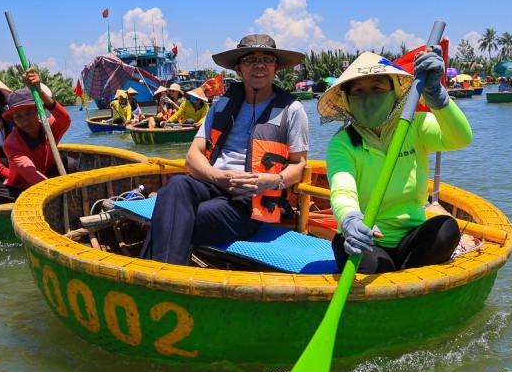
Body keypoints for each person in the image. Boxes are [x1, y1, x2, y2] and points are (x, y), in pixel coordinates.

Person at [139, 34, 309, 265]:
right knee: (175, 186)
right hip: (214, 184)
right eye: (250, 60)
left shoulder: (292, 110)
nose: (259, 65)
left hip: (250, 201)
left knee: (172, 218)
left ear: (275, 67)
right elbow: (192, 156)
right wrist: (218, 177)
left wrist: (270, 180)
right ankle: (166, 276)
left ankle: (157, 276)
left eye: (267, 59)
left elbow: (299, 164)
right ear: (238, 69)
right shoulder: (221, 107)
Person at [318, 48, 473, 274]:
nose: (368, 96)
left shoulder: (415, 125)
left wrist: (437, 95)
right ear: (347, 100)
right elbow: (342, 191)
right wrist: (350, 220)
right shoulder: (342, 143)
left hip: (411, 238)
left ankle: (406, 276)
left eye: (377, 88)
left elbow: (460, 138)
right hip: (366, 238)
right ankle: (403, 276)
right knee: (373, 264)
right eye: (358, 91)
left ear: (393, 92)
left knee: (447, 228)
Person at [0, 68, 73, 205]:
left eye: (28, 113)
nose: (24, 121)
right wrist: (57, 192)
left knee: (69, 163)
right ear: (13, 119)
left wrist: (40, 92)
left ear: (37, 111)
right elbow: (30, 173)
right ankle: (40, 201)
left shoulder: (49, 127)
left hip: (48, 177)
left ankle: (47, 198)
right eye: (18, 116)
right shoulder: (11, 144)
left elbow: (65, 120)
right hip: (22, 189)